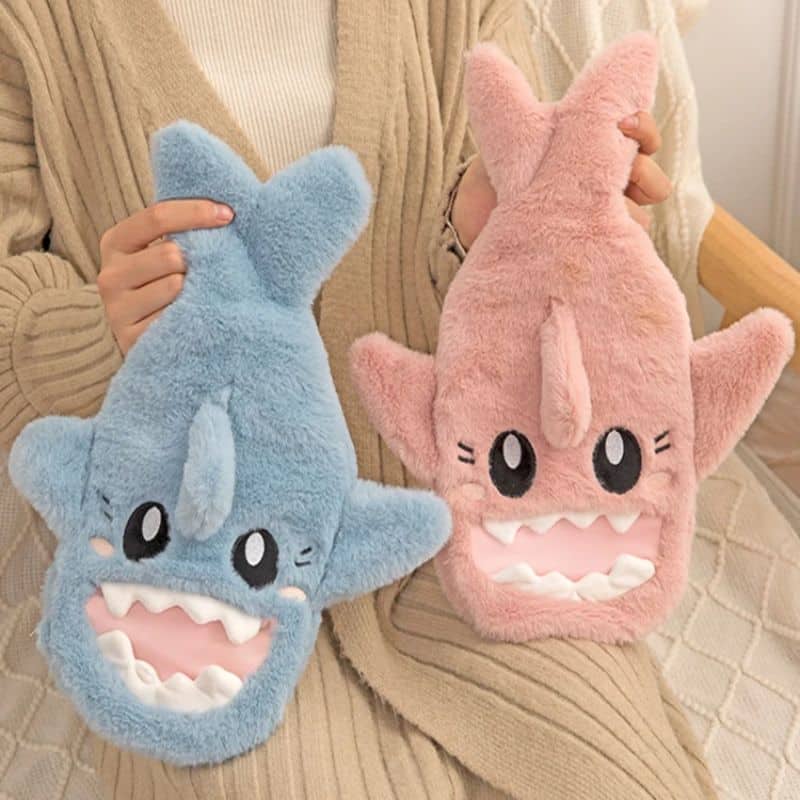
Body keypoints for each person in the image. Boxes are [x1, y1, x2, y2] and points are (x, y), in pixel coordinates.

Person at [0, 1, 715, 797]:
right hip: (187, 564)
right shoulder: (34, 22)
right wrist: (104, 334)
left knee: (617, 769)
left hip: (467, 519)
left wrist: (504, 231)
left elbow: (505, 218)